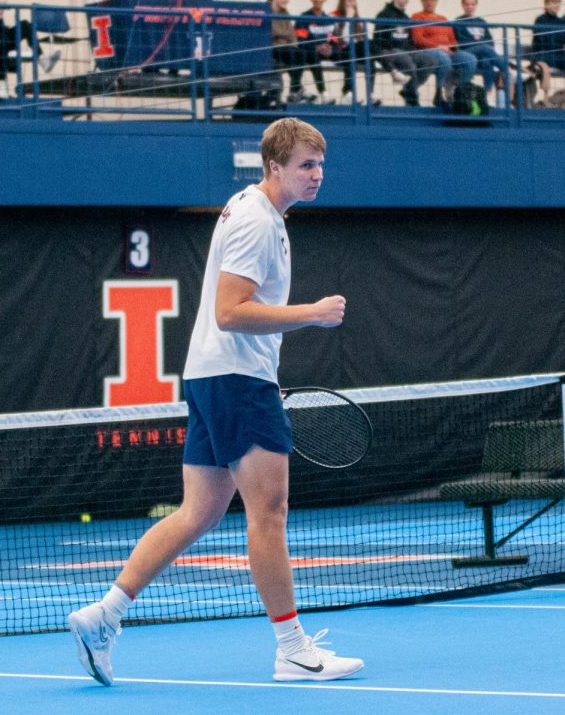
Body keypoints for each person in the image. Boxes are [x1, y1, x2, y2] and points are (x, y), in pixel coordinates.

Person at [67, 117, 363, 686]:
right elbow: (231, 310)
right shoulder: (256, 220)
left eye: (320, 164)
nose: (316, 174)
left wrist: (263, 370)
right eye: (305, 164)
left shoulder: (253, 210)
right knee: (268, 513)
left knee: (198, 512)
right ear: (274, 166)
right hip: (234, 381)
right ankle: (293, 648)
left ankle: (104, 615)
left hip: (215, 377)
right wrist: (312, 313)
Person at [410, 0, 477, 108]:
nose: (429, 2)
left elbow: (453, 40)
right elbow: (418, 39)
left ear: (436, 1)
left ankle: (460, 94)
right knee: (444, 59)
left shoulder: (443, 19)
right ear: (421, 1)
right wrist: (439, 47)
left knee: (470, 59)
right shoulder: (417, 16)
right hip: (428, 51)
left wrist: (452, 49)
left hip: (447, 51)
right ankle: (438, 94)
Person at [373, 0, 429, 107]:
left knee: (428, 60)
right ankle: (413, 99)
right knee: (408, 62)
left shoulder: (405, 18)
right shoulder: (383, 15)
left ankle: (408, 90)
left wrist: (412, 49)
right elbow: (378, 40)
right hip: (390, 50)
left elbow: (410, 39)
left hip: (406, 50)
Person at [453, 0, 508, 102]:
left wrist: (482, 46)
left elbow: (490, 41)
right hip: (467, 53)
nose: (470, 7)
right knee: (484, 48)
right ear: (462, 5)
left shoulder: (482, 22)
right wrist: (479, 45)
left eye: (472, 4)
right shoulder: (458, 21)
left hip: (482, 56)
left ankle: (487, 93)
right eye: (467, 4)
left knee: (487, 60)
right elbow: (461, 42)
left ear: (476, 5)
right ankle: (506, 68)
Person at [269, 0, 311, 103]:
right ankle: (297, 90)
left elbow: (291, 34)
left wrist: (291, 42)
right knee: (295, 55)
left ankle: (295, 90)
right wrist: (284, 35)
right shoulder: (267, 11)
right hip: (272, 47)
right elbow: (273, 32)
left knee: (301, 53)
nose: (286, 0)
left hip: (285, 47)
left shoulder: (285, 13)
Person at [298, 0, 336, 104]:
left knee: (347, 55)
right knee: (313, 58)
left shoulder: (329, 19)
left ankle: (349, 93)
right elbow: (300, 41)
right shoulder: (304, 17)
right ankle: (324, 93)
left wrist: (331, 49)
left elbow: (334, 39)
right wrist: (316, 47)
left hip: (327, 53)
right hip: (311, 53)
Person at [331, 0, 368, 106]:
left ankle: (370, 94)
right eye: (349, 1)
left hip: (354, 50)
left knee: (369, 55)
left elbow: (361, 39)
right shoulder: (334, 16)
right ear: (342, 2)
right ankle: (348, 93)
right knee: (350, 54)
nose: (352, 4)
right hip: (339, 51)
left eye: (354, 1)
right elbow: (344, 38)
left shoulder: (358, 20)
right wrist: (348, 20)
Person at [530, 0, 565, 107]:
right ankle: (545, 99)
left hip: (557, 55)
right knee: (545, 66)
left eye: (559, 2)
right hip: (542, 54)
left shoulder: (561, 22)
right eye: (554, 1)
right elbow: (542, 40)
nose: (557, 4)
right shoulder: (540, 20)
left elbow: (564, 41)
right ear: (546, 3)